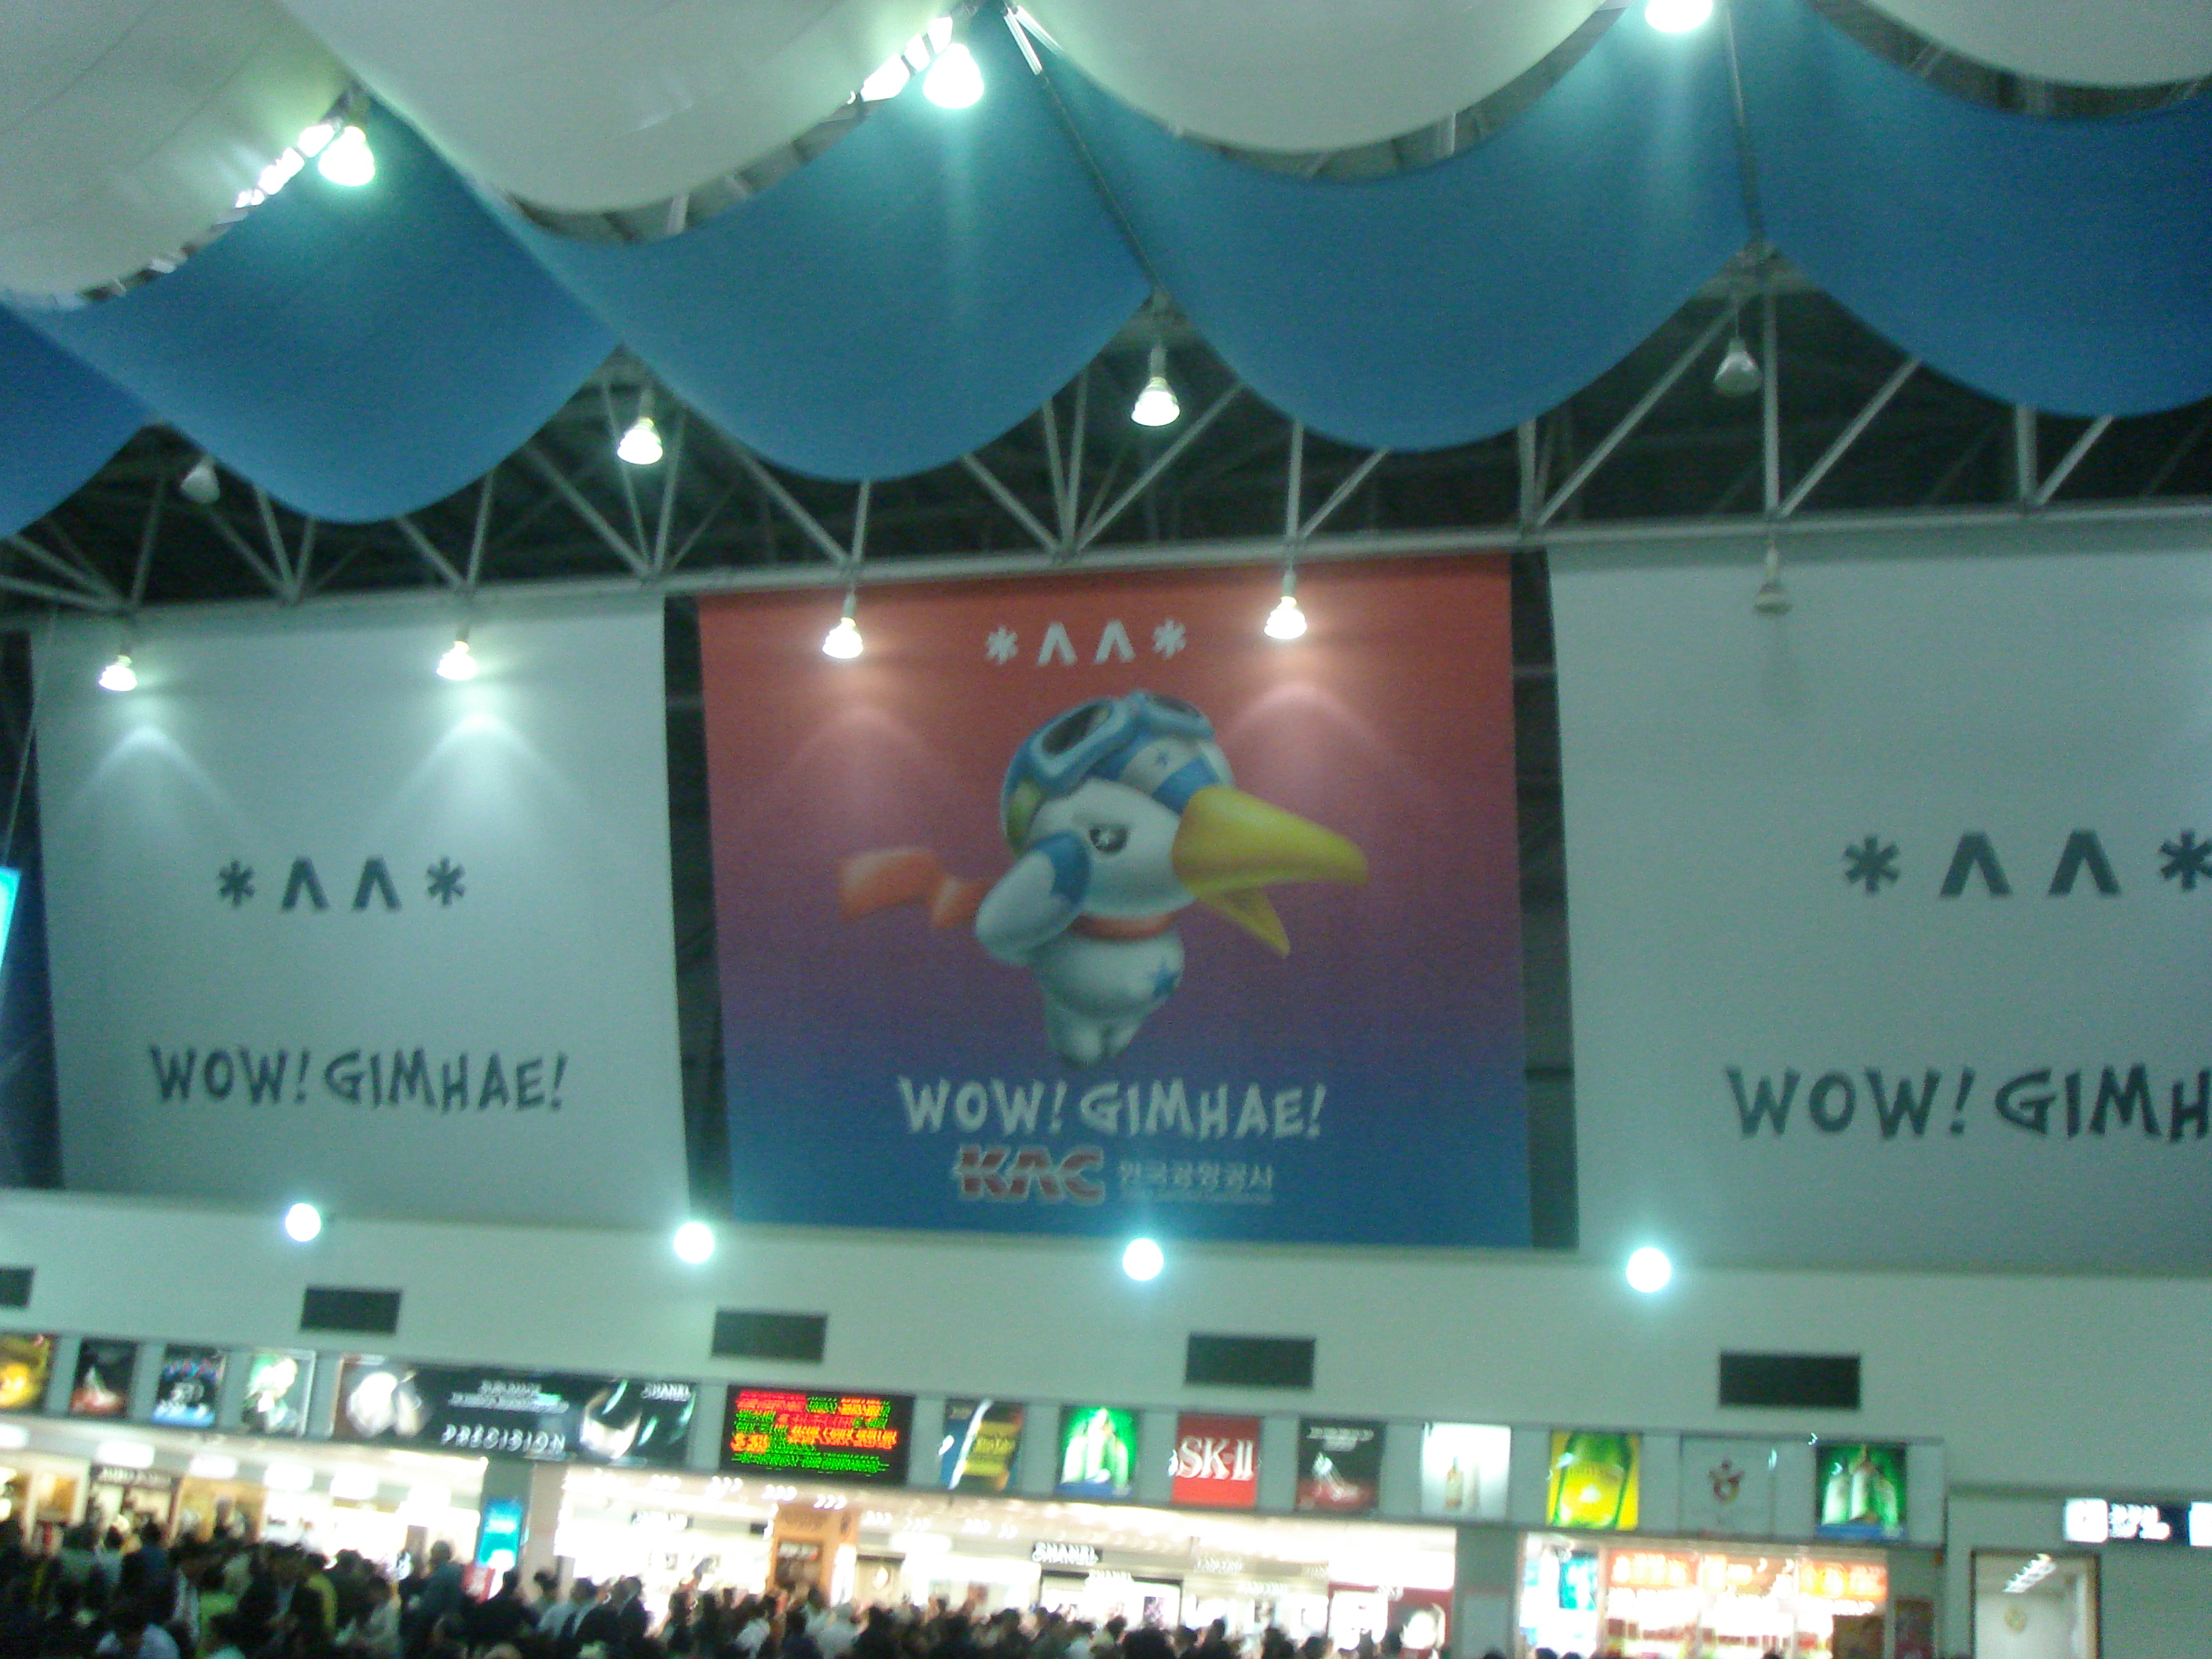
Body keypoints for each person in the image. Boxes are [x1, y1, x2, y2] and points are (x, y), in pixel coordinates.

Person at [97, 1604, 181, 1659]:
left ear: (141, 1631)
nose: (122, 1641)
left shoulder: (162, 1646)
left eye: (126, 1636)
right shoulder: (110, 1642)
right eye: (119, 1635)